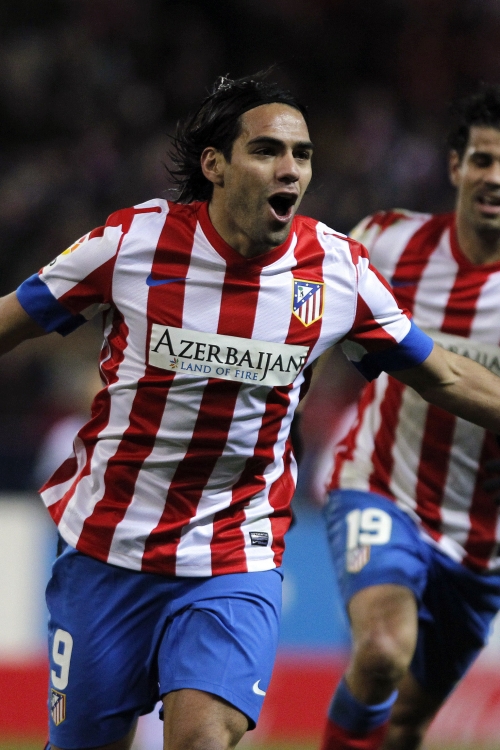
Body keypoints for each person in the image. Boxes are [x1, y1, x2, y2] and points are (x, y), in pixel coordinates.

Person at [2, 74, 500, 750]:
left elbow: (444, 374)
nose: (290, 168)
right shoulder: (129, 244)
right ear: (215, 164)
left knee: (203, 740)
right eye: (266, 150)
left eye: (302, 154)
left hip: (235, 551)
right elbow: (11, 321)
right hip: (107, 549)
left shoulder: (337, 271)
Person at [306, 84, 500, 750]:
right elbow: (311, 333)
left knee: (406, 724)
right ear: (455, 166)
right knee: (383, 650)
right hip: (382, 487)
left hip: (481, 538)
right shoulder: (388, 241)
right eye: (482, 160)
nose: (494, 177)